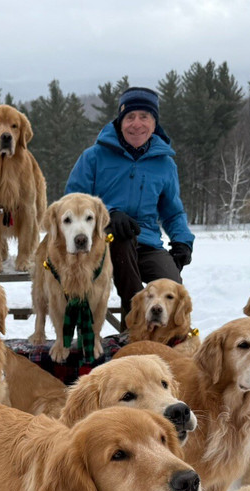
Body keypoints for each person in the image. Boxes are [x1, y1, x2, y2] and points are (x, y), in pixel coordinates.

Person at [65, 86, 194, 328]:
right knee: (121, 242)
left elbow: (173, 211)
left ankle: (171, 339)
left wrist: (182, 241)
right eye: (130, 117)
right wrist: (109, 214)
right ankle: (134, 328)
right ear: (120, 121)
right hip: (100, 241)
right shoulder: (94, 156)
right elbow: (73, 200)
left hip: (147, 243)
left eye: (144, 117)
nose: (137, 124)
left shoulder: (165, 164)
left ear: (154, 124)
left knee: (172, 284)